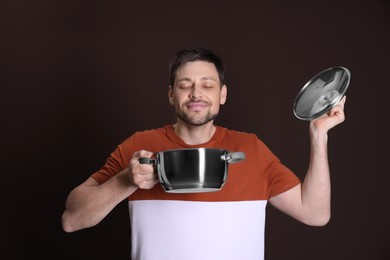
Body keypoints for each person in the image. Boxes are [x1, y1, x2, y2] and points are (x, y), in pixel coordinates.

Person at [61, 47, 346, 260]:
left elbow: (315, 213)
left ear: (222, 94)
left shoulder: (251, 149)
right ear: (171, 94)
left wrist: (319, 136)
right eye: (185, 85)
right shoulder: (139, 146)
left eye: (207, 85)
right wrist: (126, 181)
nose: (196, 93)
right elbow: (72, 220)